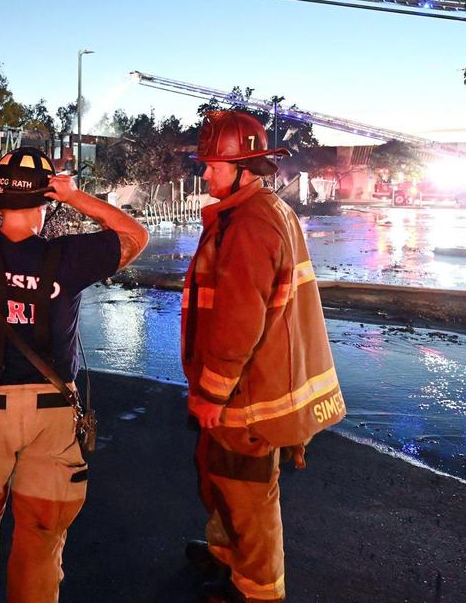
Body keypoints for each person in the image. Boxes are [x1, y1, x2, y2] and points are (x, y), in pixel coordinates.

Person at [0, 147, 148, 602]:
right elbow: (134, 235)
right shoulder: (68, 257)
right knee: (41, 541)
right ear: (44, 204)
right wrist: (76, 196)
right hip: (52, 415)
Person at [181, 111, 346, 603]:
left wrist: (211, 391)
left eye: (212, 165)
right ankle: (226, 557)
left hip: (246, 396)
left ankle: (256, 590)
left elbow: (238, 321)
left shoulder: (251, 223)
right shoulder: (256, 210)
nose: (204, 173)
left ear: (243, 167)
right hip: (246, 386)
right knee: (220, 478)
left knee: (247, 494)